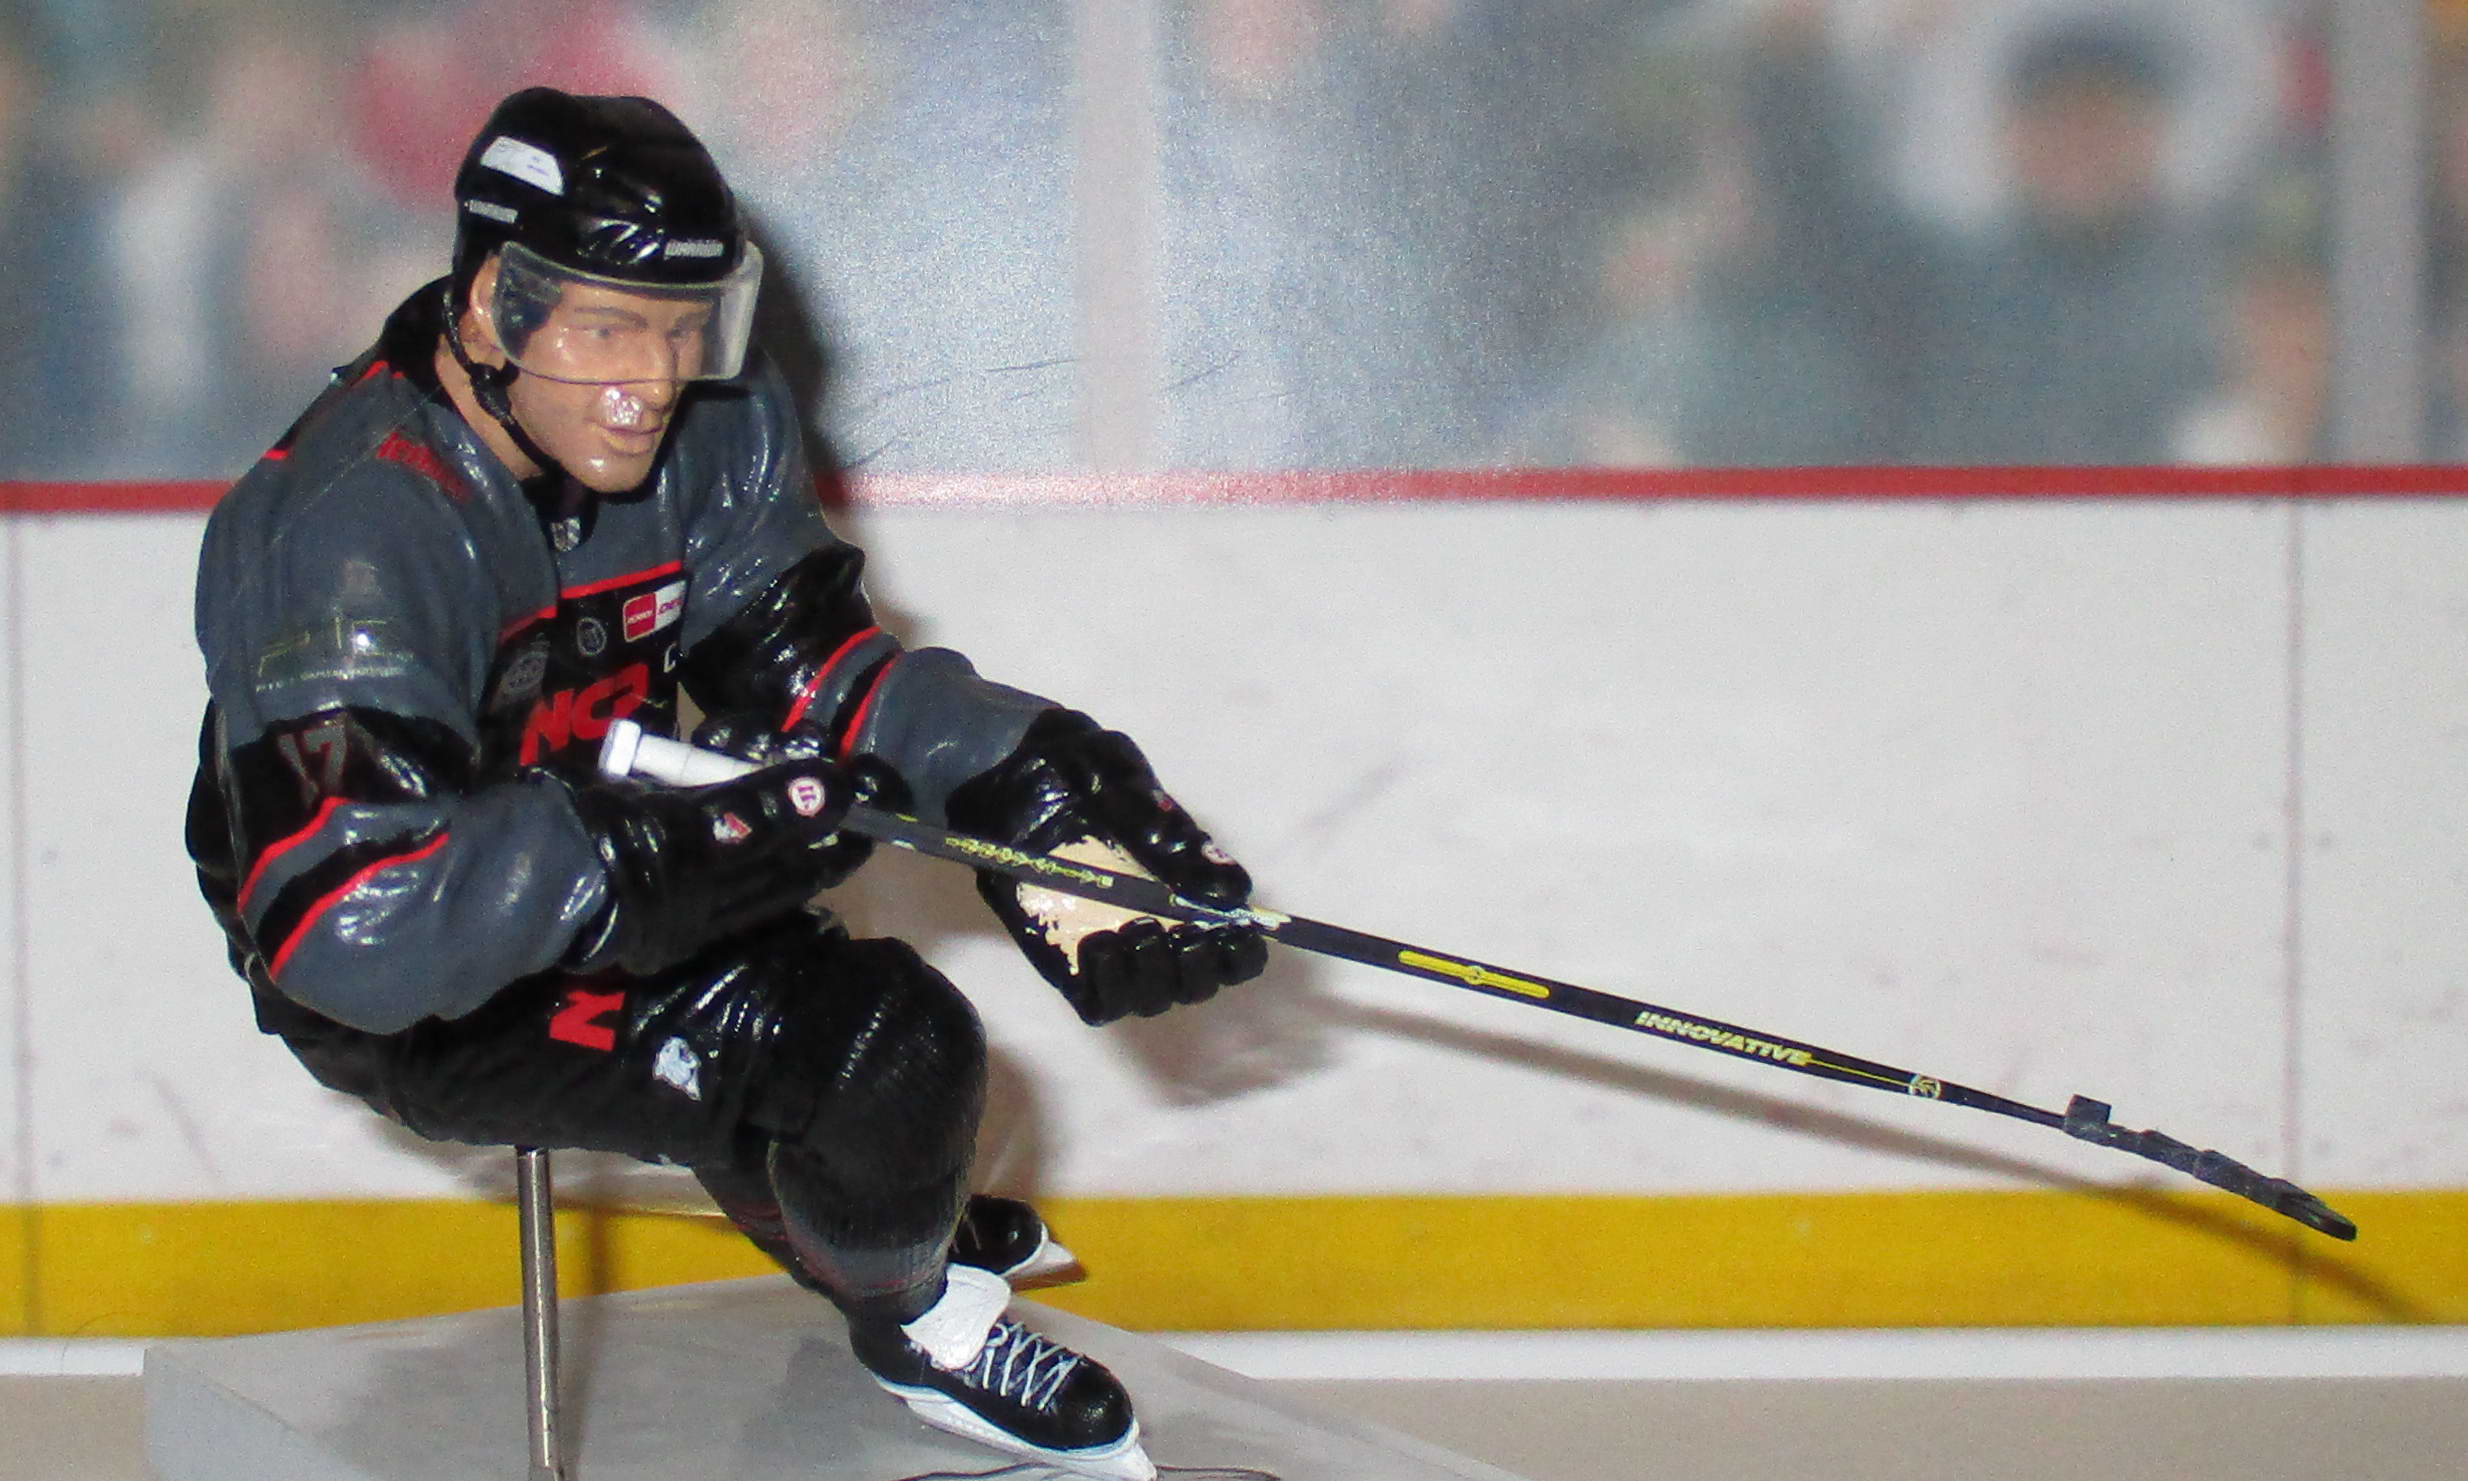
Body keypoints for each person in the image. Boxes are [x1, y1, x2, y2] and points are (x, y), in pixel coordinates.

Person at [183, 87, 1267, 1481]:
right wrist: (648, 867)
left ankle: (841, 1208)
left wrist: (1014, 772)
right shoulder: (353, 527)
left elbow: (811, 668)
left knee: (871, 1078)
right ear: (494, 306)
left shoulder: (707, 415)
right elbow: (353, 929)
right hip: (424, 980)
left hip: (625, 863)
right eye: (607, 328)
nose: (654, 377)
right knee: (893, 1056)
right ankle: (914, 1314)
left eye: (686, 325)